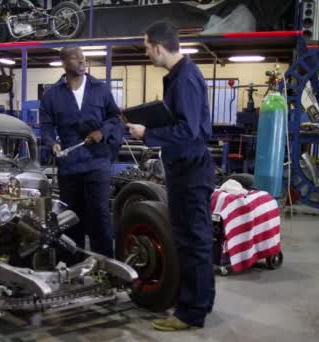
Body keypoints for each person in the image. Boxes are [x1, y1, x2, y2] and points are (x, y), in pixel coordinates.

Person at [126, 21, 216, 330]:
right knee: (190, 240)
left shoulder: (186, 79)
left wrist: (147, 131)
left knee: (194, 242)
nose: (148, 53)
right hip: (184, 168)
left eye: (148, 47)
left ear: (158, 47)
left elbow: (189, 130)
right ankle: (199, 303)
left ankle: (191, 313)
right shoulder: (178, 77)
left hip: (191, 170)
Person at [40, 46, 124, 258]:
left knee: (100, 215)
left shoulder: (100, 89)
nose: (81, 61)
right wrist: (52, 143)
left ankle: (105, 265)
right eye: (75, 58)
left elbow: (115, 117)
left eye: (82, 57)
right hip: (69, 165)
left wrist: (102, 132)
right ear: (64, 63)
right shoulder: (52, 95)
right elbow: (47, 127)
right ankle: (72, 265)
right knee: (70, 218)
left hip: (97, 162)